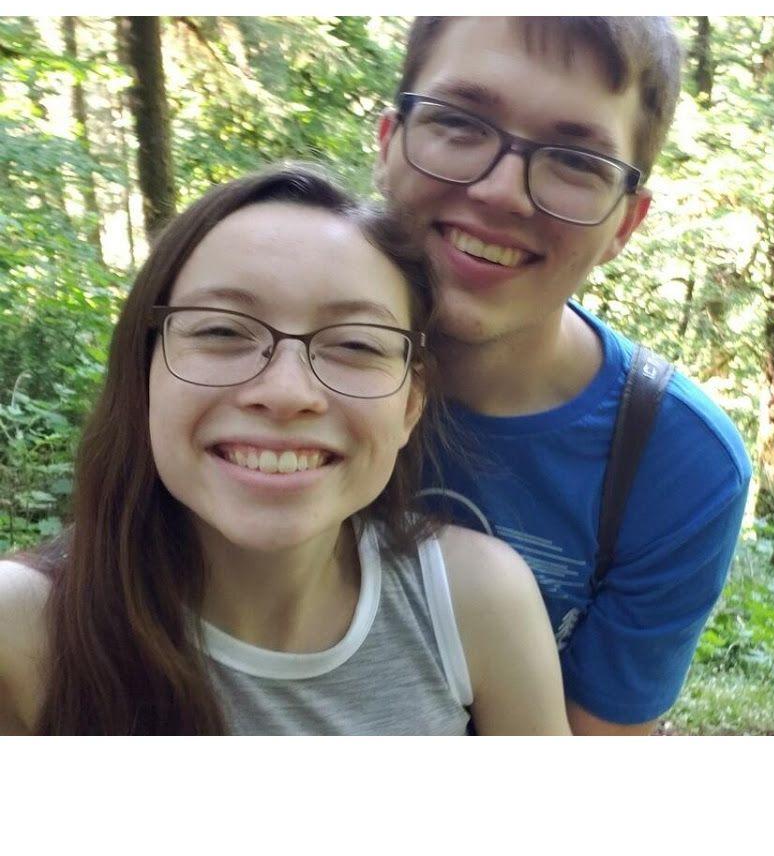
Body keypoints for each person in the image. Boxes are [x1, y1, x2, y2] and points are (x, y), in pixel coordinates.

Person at [0, 162, 570, 736]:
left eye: (354, 344)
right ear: (144, 372)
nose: (286, 393)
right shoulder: (24, 629)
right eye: (222, 331)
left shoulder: (477, 602)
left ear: (410, 403)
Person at [376, 16, 752, 734]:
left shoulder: (675, 465)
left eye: (577, 162)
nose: (502, 192)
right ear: (390, 142)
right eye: (460, 123)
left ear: (625, 224)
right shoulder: (247, 355)